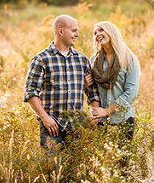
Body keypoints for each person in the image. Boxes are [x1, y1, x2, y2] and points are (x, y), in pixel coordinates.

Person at [23, 14, 101, 164]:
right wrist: (45, 118)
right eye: (73, 31)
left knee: (78, 169)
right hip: (52, 126)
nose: (77, 35)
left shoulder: (82, 59)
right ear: (60, 31)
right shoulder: (41, 59)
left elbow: (92, 94)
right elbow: (31, 92)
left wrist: (94, 119)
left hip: (78, 126)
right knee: (53, 169)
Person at [84, 20, 140, 143]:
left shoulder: (128, 58)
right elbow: (91, 91)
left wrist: (107, 111)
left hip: (123, 118)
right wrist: (86, 85)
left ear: (111, 32)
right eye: (95, 33)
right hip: (100, 121)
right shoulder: (94, 59)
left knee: (122, 161)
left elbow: (131, 93)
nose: (97, 34)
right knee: (101, 159)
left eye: (101, 30)